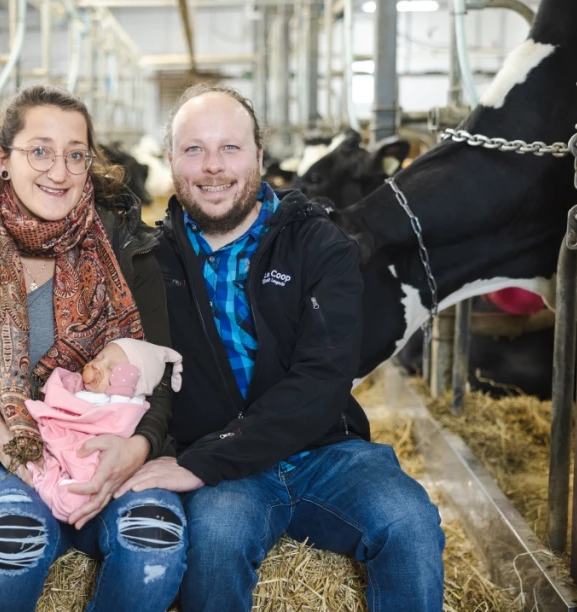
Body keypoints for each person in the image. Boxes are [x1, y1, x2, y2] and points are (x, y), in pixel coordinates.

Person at [116, 83, 446, 612]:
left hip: (324, 454)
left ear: (260, 157)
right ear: (172, 161)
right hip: (226, 472)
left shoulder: (319, 244)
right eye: (194, 149)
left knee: (408, 519)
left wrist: (205, 461)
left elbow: (325, 376)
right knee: (216, 542)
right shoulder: (148, 263)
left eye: (230, 148)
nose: (213, 167)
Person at [0, 85, 186, 612]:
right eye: (39, 150)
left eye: (75, 154)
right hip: (6, 462)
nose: (59, 171)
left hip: (108, 453)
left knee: (152, 537)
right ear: (2, 159)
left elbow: (155, 377)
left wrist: (136, 449)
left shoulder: (129, 251)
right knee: (11, 540)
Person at [25, 338, 185, 521]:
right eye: (99, 357)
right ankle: (47, 480)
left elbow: (118, 422)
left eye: (111, 369)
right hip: (56, 441)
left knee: (78, 491)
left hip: (88, 453)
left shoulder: (124, 405)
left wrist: (122, 391)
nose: (96, 365)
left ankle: (58, 491)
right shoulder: (79, 387)